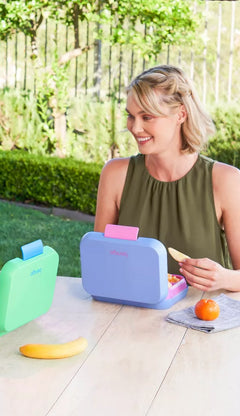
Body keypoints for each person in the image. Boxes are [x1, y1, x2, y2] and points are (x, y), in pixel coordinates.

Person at [94, 64, 240, 292]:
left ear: (181, 114)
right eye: (131, 116)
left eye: (147, 117)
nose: (135, 127)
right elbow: (98, 263)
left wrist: (223, 279)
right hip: (129, 316)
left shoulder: (225, 180)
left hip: (200, 320)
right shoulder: (115, 175)